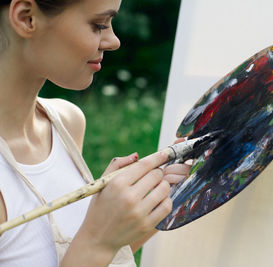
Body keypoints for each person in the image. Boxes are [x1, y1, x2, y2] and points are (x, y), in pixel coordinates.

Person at [0, 0, 190, 266]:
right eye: (99, 25)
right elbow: (90, 250)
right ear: (26, 18)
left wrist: (143, 210)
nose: (113, 41)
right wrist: (97, 240)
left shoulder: (67, 122)